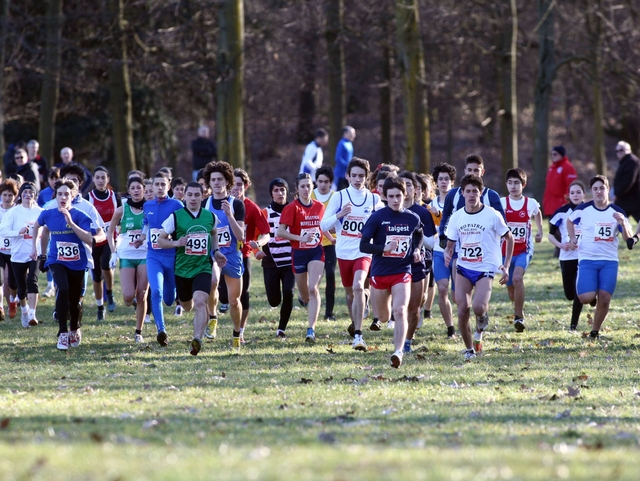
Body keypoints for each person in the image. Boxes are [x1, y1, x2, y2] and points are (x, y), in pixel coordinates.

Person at [444, 175, 514, 361]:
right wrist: (447, 252)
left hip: (485, 268)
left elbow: (509, 238)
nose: (471, 195)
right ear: (462, 193)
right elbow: (450, 244)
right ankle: (469, 349)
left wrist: (506, 265)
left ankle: (480, 327)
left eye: (475, 191)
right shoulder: (457, 217)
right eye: (468, 191)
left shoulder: (492, 214)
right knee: (462, 310)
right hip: (464, 267)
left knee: (478, 307)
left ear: (481, 193)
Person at [360, 176, 423, 368]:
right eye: (392, 196)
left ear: (405, 195)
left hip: (402, 271)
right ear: (384, 197)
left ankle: (398, 352)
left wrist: (417, 249)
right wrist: (384, 248)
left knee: (400, 310)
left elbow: (419, 233)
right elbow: (363, 246)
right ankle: (380, 318)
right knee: (385, 316)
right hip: (379, 273)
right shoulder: (377, 217)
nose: (396, 200)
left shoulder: (412, 218)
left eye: (399, 196)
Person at [320, 158, 383, 351]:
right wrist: (340, 214)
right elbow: (323, 225)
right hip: (344, 252)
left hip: (363, 251)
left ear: (367, 177)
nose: (357, 179)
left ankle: (358, 336)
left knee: (357, 287)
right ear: (347, 176)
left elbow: (384, 221)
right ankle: (356, 322)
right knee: (350, 294)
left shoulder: (373, 199)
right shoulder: (339, 197)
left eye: (361, 176)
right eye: (354, 175)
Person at [158, 182, 227, 355]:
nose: (194, 198)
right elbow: (160, 240)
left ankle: (197, 339)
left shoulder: (210, 216)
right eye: (190, 195)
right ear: (185, 196)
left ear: (202, 197)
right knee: (187, 305)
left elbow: (213, 233)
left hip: (202, 267)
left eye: (197, 195)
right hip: (182, 270)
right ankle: (186, 309)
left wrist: (216, 251)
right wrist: (176, 242)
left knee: (201, 302)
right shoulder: (175, 217)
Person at [31, 180, 96, 350]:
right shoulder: (48, 213)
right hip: (56, 259)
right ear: (56, 196)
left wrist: (71, 223)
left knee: (75, 300)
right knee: (63, 288)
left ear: (72, 196)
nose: (63, 197)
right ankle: (62, 333)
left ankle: (75, 328)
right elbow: (38, 226)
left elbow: (90, 239)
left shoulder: (80, 215)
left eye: (67, 194)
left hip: (77, 262)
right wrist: (38, 251)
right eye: (60, 194)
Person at [567, 175, 632, 339]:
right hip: (587, 259)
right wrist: (573, 237)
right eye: (595, 189)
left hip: (609, 261)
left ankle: (595, 331)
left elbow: (628, 239)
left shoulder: (617, 212)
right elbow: (569, 221)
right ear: (591, 192)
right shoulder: (583, 210)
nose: (598, 192)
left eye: (602, 188)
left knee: (604, 298)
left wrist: (623, 223)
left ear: (608, 190)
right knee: (585, 297)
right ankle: (592, 287)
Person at [277, 172, 327, 343]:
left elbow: (323, 226)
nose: (306, 189)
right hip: (298, 252)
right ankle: (303, 297)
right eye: (303, 186)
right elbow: (280, 231)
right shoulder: (291, 208)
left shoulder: (320, 207)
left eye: (308, 186)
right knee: (305, 296)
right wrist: (300, 238)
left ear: (312, 187)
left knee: (314, 289)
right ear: (297, 189)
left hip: (316, 251)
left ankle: (311, 330)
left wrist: (331, 235)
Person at [136, 172, 183, 346]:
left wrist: (177, 239)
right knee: (156, 291)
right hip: (153, 255)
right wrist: (141, 237)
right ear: (152, 187)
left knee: (169, 299)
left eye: (163, 185)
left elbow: (183, 224)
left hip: (171, 256)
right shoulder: (147, 205)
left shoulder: (176, 204)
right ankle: (161, 330)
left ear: (168, 186)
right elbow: (146, 223)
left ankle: (174, 296)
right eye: (157, 185)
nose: (160, 188)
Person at [202, 161, 246, 349]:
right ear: (209, 183)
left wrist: (229, 216)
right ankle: (212, 317)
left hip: (232, 255)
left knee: (235, 300)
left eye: (220, 179)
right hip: (212, 254)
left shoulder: (237, 204)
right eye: (213, 180)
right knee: (212, 282)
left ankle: (237, 333)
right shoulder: (205, 204)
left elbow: (241, 236)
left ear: (227, 181)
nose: (217, 183)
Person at [229, 168, 270, 342]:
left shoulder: (252, 208)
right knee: (224, 295)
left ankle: (240, 329)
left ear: (246, 186)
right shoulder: (221, 203)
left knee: (243, 293)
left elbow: (266, 233)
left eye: (239, 185)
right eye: (233, 184)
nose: (235, 188)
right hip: (222, 255)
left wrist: (259, 243)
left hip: (243, 254)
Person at [107, 176, 149, 343]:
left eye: (139, 187)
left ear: (144, 190)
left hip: (145, 255)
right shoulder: (122, 208)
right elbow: (110, 231)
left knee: (142, 294)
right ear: (129, 190)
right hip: (126, 254)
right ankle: (131, 302)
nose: (136, 191)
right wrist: (113, 252)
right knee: (127, 297)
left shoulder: (150, 208)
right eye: (133, 188)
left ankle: (138, 332)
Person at [500, 168, 543, 332]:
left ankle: (519, 317)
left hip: (524, 249)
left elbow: (537, 213)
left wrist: (540, 230)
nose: (513, 186)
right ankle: (519, 308)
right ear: (506, 184)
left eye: (516, 183)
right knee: (511, 292)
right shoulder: (502, 203)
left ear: (523, 184)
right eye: (510, 183)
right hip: (505, 252)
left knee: (517, 278)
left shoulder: (530, 203)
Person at [398, 172, 436, 353]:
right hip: (395, 263)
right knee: (400, 306)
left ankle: (408, 339)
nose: (406, 188)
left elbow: (430, 241)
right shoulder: (389, 211)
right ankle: (400, 335)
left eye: (410, 185)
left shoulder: (423, 212)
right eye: (402, 184)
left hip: (420, 261)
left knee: (418, 302)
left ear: (415, 190)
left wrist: (418, 245)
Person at [0, 182, 43, 327]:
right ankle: (24, 310)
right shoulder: (14, 212)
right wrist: (18, 232)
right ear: (21, 195)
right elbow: (3, 230)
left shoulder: (40, 211)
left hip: (34, 252)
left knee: (33, 280)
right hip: (17, 254)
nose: (28, 195)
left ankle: (32, 313)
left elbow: (48, 230)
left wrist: (41, 237)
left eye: (31, 192)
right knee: (21, 286)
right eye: (25, 192)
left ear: (35, 195)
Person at [258, 178, 296, 338]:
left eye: (282, 190)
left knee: (289, 292)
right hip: (271, 262)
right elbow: (254, 234)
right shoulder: (265, 213)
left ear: (287, 192)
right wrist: (256, 250)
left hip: (290, 261)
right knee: (274, 300)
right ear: (271, 194)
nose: (280, 193)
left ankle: (281, 329)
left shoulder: (294, 210)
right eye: (276, 190)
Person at [548, 180, 586, 330]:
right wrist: (560, 245)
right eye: (572, 193)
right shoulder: (561, 212)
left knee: (578, 290)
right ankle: (590, 296)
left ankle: (573, 325)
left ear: (584, 194)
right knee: (569, 294)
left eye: (578, 192)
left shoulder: (589, 210)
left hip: (584, 256)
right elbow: (550, 235)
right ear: (568, 195)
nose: (575, 195)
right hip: (566, 256)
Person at [87, 167, 121, 319]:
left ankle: (110, 292)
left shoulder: (115, 196)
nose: (101, 181)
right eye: (98, 178)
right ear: (93, 179)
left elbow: (122, 217)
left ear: (108, 179)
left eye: (103, 178)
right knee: (96, 275)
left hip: (110, 238)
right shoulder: (88, 197)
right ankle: (100, 306)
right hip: (94, 239)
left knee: (106, 265)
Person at [427, 163, 457, 337]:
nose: (444, 182)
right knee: (443, 288)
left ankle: (466, 318)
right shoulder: (431, 205)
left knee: (457, 295)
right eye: (441, 179)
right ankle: (450, 328)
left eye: (447, 179)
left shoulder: (459, 203)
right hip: (439, 252)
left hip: (459, 252)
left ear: (452, 182)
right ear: (436, 183)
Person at [311, 165, 337, 321]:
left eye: (326, 182)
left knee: (331, 274)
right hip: (311, 243)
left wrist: (336, 225)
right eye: (319, 181)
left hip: (329, 243)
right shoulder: (310, 195)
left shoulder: (336, 197)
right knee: (313, 279)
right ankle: (306, 296)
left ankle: (329, 313)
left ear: (330, 182)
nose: (322, 185)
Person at [0, 180, 18, 322]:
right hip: (0, 250)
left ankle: (12, 301)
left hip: (14, 250)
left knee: (12, 282)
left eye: (10, 195)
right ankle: (0, 307)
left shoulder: (18, 210)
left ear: (15, 196)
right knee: (1, 280)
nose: (7, 198)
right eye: (4, 195)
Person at [542, 146, 577, 217]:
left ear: (561, 154)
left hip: (561, 204)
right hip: (551, 204)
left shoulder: (568, 167)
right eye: (551, 154)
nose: (552, 156)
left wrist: (568, 202)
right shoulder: (551, 168)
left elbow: (571, 186)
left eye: (555, 154)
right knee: (552, 227)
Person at [612, 141, 640, 222]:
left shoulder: (632, 161)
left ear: (628, 150)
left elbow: (628, 181)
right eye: (617, 151)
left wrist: (617, 194)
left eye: (621, 150)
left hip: (632, 200)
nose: (619, 152)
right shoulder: (625, 162)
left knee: (616, 222)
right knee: (618, 224)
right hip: (625, 200)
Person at [333, 126, 356, 191]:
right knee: (337, 191)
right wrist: (348, 165)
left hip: (347, 173)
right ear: (345, 133)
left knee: (351, 190)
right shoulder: (341, 143)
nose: (354, 136)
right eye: (352, 134)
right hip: (340, 173)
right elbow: (338, 158)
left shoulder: (350, 144)